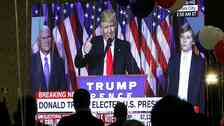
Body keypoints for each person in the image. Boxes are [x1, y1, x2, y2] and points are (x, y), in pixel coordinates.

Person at [75, 9, 139, 75]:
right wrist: (84, 51)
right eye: (106, 27)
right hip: (97, 84)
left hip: (117, 84)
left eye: (111, 26)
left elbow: (135, 72)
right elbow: (78, 64)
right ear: (101, 29)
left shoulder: (124, 46)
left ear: (116, 26)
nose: (109, 31)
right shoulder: (93, 44)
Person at [167, 23, 206, 113]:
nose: (184, 40)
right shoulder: (172, 60)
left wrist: (202, 113)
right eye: (182, 37)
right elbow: (169, 87)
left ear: (193, 41)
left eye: (188, 37)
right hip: (175, 108)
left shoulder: (200, 62)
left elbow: (201, 91)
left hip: (192, 108)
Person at [31, 25, 68, 93]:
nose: (47, 41)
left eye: (48, 37)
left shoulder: (59, 62)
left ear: (52, 39)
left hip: (55, 102)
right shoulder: (31, 61)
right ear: (38, 41)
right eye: (43, 38)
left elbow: (63, 88)